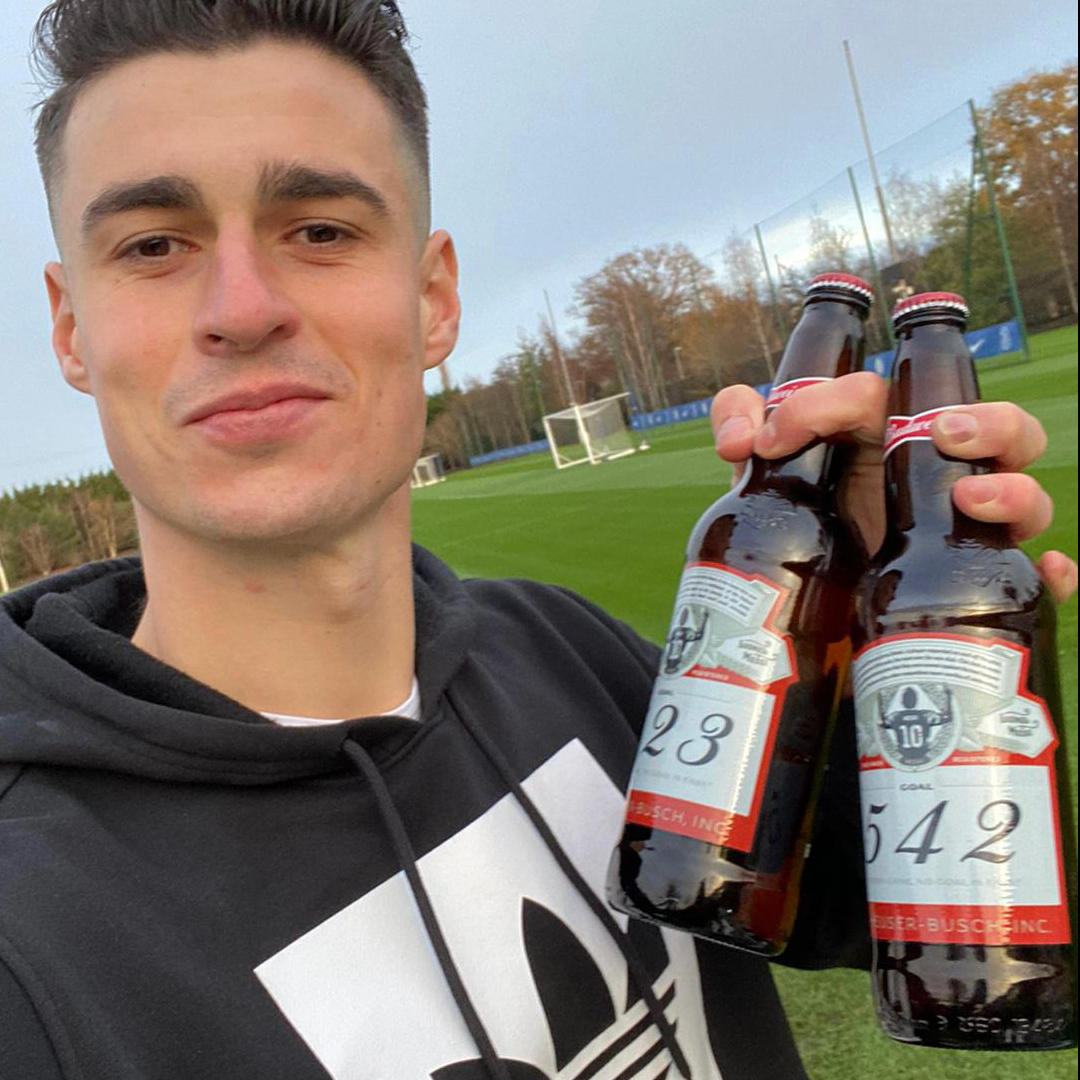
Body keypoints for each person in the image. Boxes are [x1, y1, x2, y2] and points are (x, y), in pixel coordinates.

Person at [0, 3, 1073, 1079]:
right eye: (153, 245)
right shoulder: (28, 934)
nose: (242, 308)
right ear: (70, 328)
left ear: (433, 300)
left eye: (320, 230)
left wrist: (876, 642)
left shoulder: (573, 654)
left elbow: (904, 917)